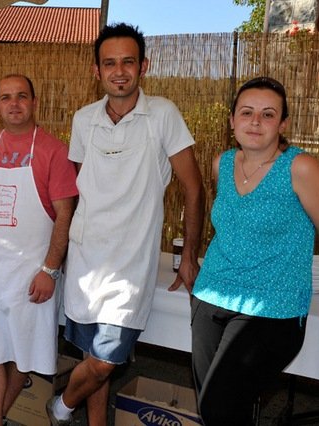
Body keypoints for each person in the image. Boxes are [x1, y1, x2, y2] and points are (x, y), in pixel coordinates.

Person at [48, 23, 204, 425]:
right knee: (89, 354)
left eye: (128, 62)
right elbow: (84, 186)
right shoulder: (84, 119)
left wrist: (189, 254)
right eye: (109, 63)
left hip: (132, 262)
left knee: (105, 359)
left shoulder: (163, 115)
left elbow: (193, 186)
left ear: (143, 66)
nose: (119, 71)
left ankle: (61, 406)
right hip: (86, 255)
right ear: (96, 71)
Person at [189, 76, 319, 425]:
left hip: (270, 310)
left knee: (219, 407)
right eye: (247, 112)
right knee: (217, 410)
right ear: (232, 120)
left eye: (268, 115)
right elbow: (230, 229)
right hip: (210, 297)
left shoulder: (302, 169)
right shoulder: (223, 163)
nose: (255, 122)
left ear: (283, 124)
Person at [0, 74, 78, 426]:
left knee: (21, 352)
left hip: (32, 271)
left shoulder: (54, 150)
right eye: (5, 97)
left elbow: (65, 214)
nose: (13, 104)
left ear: (34, 102)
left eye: (21, 96)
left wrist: (49, 269)